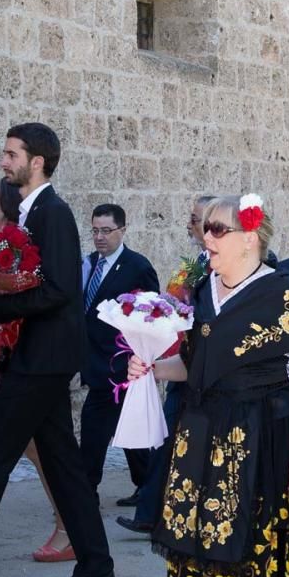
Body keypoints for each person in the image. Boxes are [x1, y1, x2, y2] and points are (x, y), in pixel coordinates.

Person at [127, 194, 289, 577]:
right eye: (206, 228)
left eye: (218, 229)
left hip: (265, 445)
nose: (207, 237)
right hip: (202, 444)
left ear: (250, 238)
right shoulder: (202, 293)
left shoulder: (283, 294)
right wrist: (153, 369)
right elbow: (197, 367)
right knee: (200, 556)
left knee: (262, 554)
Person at [0, 123, 115, 577]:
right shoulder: (28, 214)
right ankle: (98, 571)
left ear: (37, 162)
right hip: (35, 357)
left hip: (42, 360)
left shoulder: (53, 213)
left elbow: (59, 290)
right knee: (64, 464)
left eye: (11, 154)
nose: (3, 162)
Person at [118, 195, 210, 537]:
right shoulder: (195, 264)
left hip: (200, 370)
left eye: (195, 218)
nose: (189, 223)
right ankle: (149, 513)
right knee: (164, 438)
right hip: (179, 365)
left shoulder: (218, 268)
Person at [79, 204, 159, 508]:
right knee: (129, 432)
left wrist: (138, 358)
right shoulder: (88, 265)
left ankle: (87, 490)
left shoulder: (137, 266)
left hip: (121, 366)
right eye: (95, 230)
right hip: (94, 362)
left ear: (122, 231)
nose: (99, 237)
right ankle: (149, 488)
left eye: (106, 231)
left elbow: (152, 314)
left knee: (96, 427)